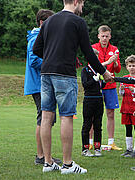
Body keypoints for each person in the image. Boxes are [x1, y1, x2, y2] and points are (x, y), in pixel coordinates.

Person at [32, 0, 112, 174]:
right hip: (65, 74)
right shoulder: (78, 22)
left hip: (46, 73)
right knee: (66, 117)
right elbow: (88, 52)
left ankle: (48, 163)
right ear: (76, 1)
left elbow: (37, 49)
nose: (82, 7)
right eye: (82, 3)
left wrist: (52, 55)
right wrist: (103, 72)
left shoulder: (50, 21)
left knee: (46, 116)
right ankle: (67, 164)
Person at [23, 9, 61, 166]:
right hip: (38, 85)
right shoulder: (35, 38)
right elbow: (33, 61)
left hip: (42, 84)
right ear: (43, 22)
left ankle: (45, 155)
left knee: (47, 119)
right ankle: (41, 156)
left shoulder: (41, 36)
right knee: (43, 119)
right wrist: (52, 62)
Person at [92, 25, 122, 150]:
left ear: (110, 36)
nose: (104, 38)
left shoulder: (114, 49)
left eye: (107, 36)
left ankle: (111, 142)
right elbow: (92, 66)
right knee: (94, 114)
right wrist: (108, 62)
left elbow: (118, 69)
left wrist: (114, 62)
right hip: (96, 86)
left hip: (110, 85)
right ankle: (90, 142)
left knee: (110, 113)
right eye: (102, 36)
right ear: (98, 36)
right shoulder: (93, 48)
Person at [80, 49, 105, 157]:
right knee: (87, 124)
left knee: (98, 124)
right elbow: (85, 84)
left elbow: (103, 85)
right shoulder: (85, 70)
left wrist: (101, 80)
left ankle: (97, 148)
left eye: (96, 57)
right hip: (89, 99)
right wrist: (94, 80)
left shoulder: (100, 69)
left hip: (99, 98)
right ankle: (85, 148)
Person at [119, 55, 135, 158]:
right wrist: (122, 89)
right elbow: (121, 94)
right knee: (127, 128)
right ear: (127, 67)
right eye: (130, 65)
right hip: (126, 107)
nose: (132, 67)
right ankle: (128, 149)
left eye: (134, 65)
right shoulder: (124, 78)